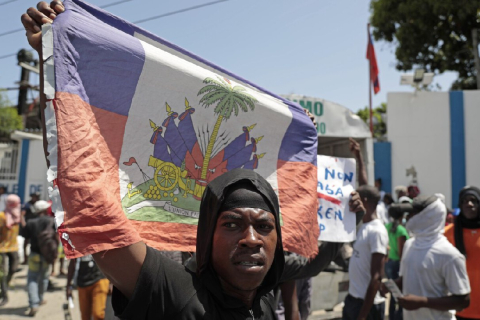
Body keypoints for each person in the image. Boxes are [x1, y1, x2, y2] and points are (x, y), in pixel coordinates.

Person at [21, 3, 367, 319]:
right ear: (204, 236)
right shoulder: (176, 293)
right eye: (231, 224)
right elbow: (88, 197)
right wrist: (55, 62)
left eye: (264, 226)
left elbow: (311, 264)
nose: (251, 238)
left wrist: (345, 223)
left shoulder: (262, 299)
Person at [385, 195, 471, 320]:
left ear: (428, 216)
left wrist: (423, 302)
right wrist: (391, 286)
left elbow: (463, 301)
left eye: (412, 213)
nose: (407, 217)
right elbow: (405, 279)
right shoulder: (410, 245)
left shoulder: (449, 255)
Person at [343, 185, 388, 320]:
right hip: (353, 300)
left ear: (365, 201)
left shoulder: (377, 231)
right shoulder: (364, 226)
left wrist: (362, 316)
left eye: (356, 198)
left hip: (367, 306)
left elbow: (376, 278)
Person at [444, 186, 480, 320]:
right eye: (465, 201)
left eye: (473, 200)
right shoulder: (448, 233)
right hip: (460, 307)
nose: (469, 204)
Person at [22, 200, 58, 317]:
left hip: (34, 254)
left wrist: (25, 255)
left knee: (32, 279)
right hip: (47, 255)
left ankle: (34, 304)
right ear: (44, 209)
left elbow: (26, 240)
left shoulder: (30, 222)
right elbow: (56, 238)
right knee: (44, 278)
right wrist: (55, 254)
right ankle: (41, 298)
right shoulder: (52, 221)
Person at [67, 255, 111, 320]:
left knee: (98, 314)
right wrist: (68, 286)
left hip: (100, 280)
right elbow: (72, 262)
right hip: (82, 282)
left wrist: (112, 282)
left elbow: (110, 258)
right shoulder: (77, 245)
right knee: (85, 316)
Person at [384, 209, 409, 320]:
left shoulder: (387, 226)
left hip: (389, 263)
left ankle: (391, 315)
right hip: (397, 265)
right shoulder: (401, 230)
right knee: (400, 294)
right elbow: (401, 253)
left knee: (393, 293)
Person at [0, 194, 22, 306]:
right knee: (2, 273)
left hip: (13, 247)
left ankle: (5, 285)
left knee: (13, 269)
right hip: (2, 248)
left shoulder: (18, 216)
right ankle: (4, 295)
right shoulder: (2, 216)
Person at [21, 193, 40, 264]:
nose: (35, 198)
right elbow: (22, 215)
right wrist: (24, 225)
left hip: (37, 226)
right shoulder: (27, 204)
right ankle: (25, 259)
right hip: (28, 225)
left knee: (37, 242)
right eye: (34, 197)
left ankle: (36, 259)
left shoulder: (39, 204)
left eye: (37, 197)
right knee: (25, 242)